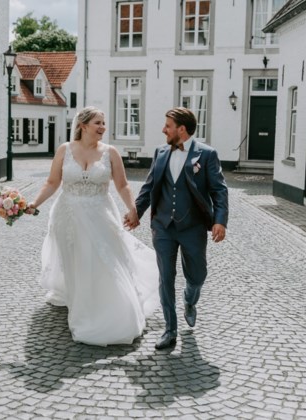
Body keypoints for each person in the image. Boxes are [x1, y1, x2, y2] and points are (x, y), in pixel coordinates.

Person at [28, 106, 160, 346]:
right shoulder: (64, 150)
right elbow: (52, 182)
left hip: (100, 214)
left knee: (103, 261)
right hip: (67, 215)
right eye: (98, 123)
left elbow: (122, 185)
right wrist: (34, 203)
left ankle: (107, 310)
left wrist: (132, 208)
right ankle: (80, 306)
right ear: (83, 125)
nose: (103, 128)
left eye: (103, 123)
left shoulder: (110, 153)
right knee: (76, 263)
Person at [124, 107, 229, 350]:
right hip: (163, 227)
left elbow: (219, 190)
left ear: (181, 129)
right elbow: (150, 187)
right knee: (166, 278)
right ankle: (170, 330)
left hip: (192, 227)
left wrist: (220, 220)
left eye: (168, 126)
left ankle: (190, 299)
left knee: (198, 275)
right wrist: (136, 213)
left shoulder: (206, 154)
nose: (163, 130)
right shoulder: (160, 153)